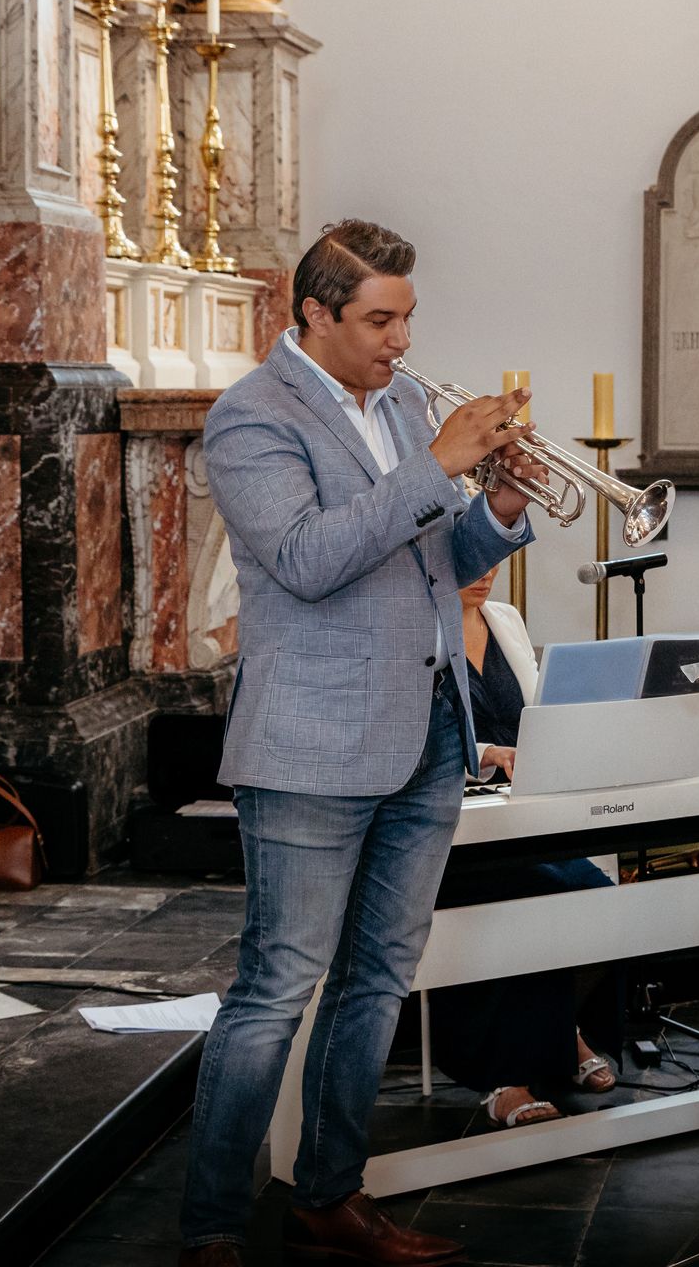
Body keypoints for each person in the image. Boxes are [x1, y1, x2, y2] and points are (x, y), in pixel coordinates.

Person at [179, 219, 544, 1267]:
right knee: (276, 987)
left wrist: (502, 505)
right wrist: (439, 463)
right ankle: (209, 1226)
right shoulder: (251, 417)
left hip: (429, 729)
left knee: (378, 977)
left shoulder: (403, 404)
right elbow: (306, 558)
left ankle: (330, 1194)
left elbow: (432, 563)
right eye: (379, 320)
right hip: (311, 740)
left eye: (407, 318)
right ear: (314, 314)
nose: (400, 340)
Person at [426, 566, 621, 1127]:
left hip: (524, 821)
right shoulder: (416, 625)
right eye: (471, 558)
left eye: (494, 560)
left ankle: (562, 1035)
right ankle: (503, 1077)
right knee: (534, 897)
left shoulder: (504, 619)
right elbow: (417, 729)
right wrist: (488, 753)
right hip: (447, 829)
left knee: (596, 895)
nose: (486, 572)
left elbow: (540, 713)